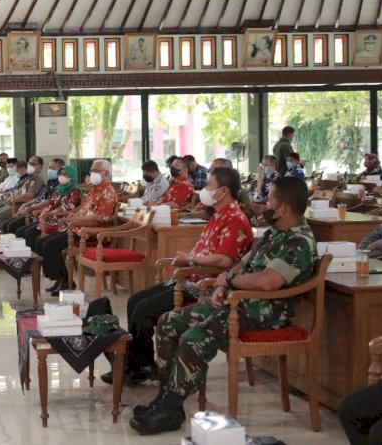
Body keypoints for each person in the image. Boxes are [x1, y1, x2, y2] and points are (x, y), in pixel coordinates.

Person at [130, 177, 318, 435]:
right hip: (237, 304)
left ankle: (171, 405)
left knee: (194, 338)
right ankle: (167, 400)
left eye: (270, 200)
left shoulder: (298, 242)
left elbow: (268, 282)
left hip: (263, 314)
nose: (265, 204)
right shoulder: (274, 234)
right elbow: (243, 263)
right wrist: (223, 286)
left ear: (284, 208)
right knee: (168, 322)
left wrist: (229, 280)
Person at [100, 167, 253, 386]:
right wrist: (188, 259)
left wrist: (192, 260)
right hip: (189, 276)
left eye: (209, 185)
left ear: (223, 191)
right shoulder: (219, 215)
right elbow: (205, 250)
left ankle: (140, 366)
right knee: (135, 301)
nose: (205, 190)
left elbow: (224, 261)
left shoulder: (234, 218)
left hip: (205, 284)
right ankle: (138, 364)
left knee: (144, 309)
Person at [36, 159, 118, 295]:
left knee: (50, 245)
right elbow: (83, 210)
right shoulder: (95, 190)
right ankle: (60, 278)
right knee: (41, 242)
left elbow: (100, 218)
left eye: (96, 171)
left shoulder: (108, 192)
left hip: (88, 232)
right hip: (76, 227)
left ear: (106, 173)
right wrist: (69, 218)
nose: (92, 173)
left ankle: (66, 280)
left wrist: (76, 221)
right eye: (92, 171)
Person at [22, 164, 82, 254]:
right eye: (60, 174)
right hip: (49, 219)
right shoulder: (58, 189)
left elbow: (69, 207)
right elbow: (51, 203)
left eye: (65, 174)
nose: (62, 176)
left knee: (30, 234)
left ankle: (34, 261)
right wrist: (44, 212)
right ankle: (33, 262)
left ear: (72, 176)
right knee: (24, 231)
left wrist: (50, 213)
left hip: (61, 220)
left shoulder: (75, 190)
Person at [3, 158, 63, 235]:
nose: (50, 170)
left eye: (53, 168)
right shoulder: (49, 183)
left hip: (40, 212)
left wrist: (32, 207)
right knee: (7, 225)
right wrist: (26, 205)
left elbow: (49, 202)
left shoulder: (59, 186)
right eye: (49, 167)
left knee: (15, 228)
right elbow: (38, 198)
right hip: (31, 208)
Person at [0, 157, 44, 229]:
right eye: (29, 163)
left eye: (32, 164)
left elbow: (31, 195)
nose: (29, 166)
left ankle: (6, 236)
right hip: (14, 202)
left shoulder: (36, 179)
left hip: (20, 204)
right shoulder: (28, 178)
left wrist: (14, 198)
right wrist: (10, 195)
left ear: (39, 167)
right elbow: (18, 190)